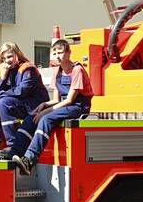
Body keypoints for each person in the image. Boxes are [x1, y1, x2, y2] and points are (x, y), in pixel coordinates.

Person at [12, 39, 93, 175]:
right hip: (65, 105)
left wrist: (45, 112)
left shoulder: (77, 70)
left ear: (68, 53)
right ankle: (15, 153)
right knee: (31, 117)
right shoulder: (57, 72)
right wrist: (44, 105)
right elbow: (56, 100)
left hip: (79, 107)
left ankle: (29, 160)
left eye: (60, 52)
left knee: (45, 119)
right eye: (54, 53)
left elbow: (69, 100)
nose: (57, 56)